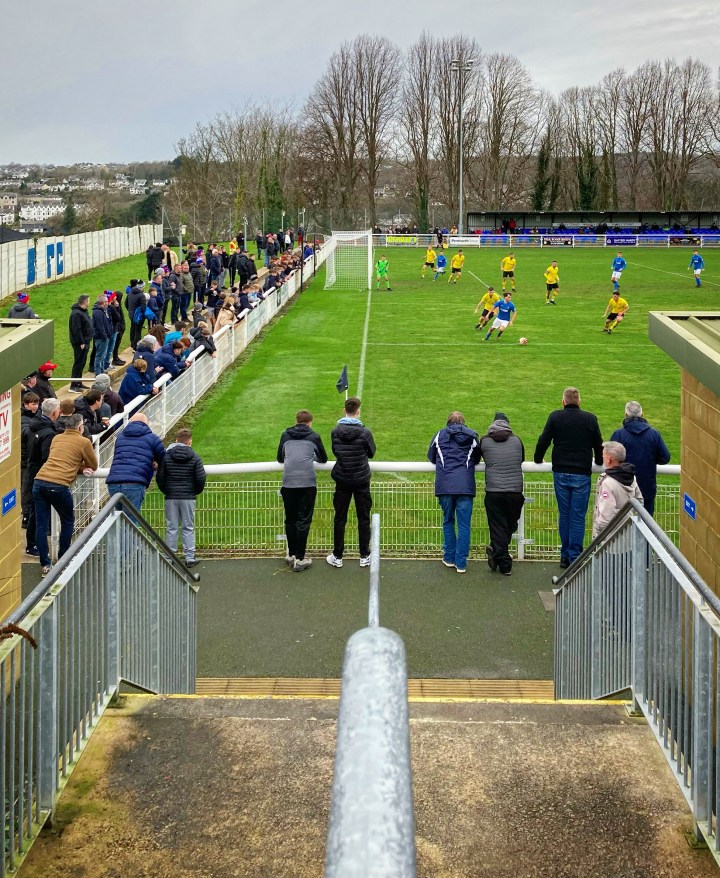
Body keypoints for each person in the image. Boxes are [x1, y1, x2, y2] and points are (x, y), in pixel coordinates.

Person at [534, 387, 604, 568]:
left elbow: (544, 440)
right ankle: (574, 556)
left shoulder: (555, 417)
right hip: (581, 473)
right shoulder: (590, 418)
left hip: (561, 472)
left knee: (564, 514)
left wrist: (537, 459)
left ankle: (565, 555)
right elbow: (598, 444)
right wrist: (599, 460)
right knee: (578, 517)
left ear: (563, 401)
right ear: (579, 401)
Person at [33, 412, 97, 575]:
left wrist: (76, 465)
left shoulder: (57, 438)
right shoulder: (83, 441)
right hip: (59, 485)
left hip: (39, 481)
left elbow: (58, 457)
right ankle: (63, 560)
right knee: (68, 521)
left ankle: (45, 564)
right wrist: (80, 467)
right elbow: (93, 465)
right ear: (80, 427)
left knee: (41, 525)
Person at [427, 411, 481, 574]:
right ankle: (461, 563)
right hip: (465, 487)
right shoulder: (472, 437)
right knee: (464, 525)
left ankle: (449, 557)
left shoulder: (439, 435)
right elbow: (477, 459)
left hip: (445, 486)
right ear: (463, 423)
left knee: (448, 521)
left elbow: (431, 456)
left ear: (448, 422)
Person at [326, 397, 376, 569]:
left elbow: (335, 451)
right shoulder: (365, 433)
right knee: (363, 518)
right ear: (358, 411)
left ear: (344, 410)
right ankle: (364, 555)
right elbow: (371, 453)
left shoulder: (335, 431)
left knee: (340, 518)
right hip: (361, 480)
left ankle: (338, 556)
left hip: (342, 479)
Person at [277, 409, 328, 572]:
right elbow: (323, 458)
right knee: (303, 521)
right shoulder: (314, 436)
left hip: (289, 483)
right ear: (310, 422)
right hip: (307, 484)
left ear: (296, 421)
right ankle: (299, 558)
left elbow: (280, 457)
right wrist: (309, 457)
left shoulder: (286, 435)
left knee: (290, 520)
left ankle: (291, 555)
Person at [478, 412, 525, 576]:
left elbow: (477, 459)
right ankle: (503, 561)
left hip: (494, 492)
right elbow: (520, 459)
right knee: (508, 526)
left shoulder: (484, 441)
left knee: (499, 527)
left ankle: (499, 556)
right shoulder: (517, 441)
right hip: (515, 492)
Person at [610, 401, 670, 517]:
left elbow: (610, 459)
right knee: (646, 525)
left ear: (626, 414)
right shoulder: (654, 435)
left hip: (622, 486)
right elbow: (665, 458)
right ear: (642, 414)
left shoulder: (618, 435)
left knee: (621, 525)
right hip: (646, 486)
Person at [156, 427, 206, 568]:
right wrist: (193, 491)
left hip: (171, 496)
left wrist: (167, 490)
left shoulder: (166, 456)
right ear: (189, 442)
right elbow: (200, 478)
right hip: (188, 496)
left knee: (171, 527)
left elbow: (160, 477)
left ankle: (169, 557)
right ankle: (189, 557)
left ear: (176, 440)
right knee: (188, 527)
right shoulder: (195, 457)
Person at [106, 413, 165, 511]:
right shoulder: (152, 438)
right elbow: (163, 459)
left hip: (113, 484)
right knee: (131, 522)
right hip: (134, 484)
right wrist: (154, 464)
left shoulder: (120, 437)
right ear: (146, 424)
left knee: (120, 521)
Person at [25, 398, 61, 556]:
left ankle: (33, 543)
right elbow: (47, 457)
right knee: (37, 511)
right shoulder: (48, 433)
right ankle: (33, 545)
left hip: (32, 470)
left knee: (36, 509)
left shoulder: (35, 425)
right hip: (40, 474)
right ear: (54, 413)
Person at [592, 441, 643, 538]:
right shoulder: (632, 478)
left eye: (603, 455)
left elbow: (606, 516)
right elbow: (639, 502)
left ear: (609, 459)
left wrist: (598, 533)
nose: (602, 457)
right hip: (627, 534)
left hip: (609, 540)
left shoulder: (608, 483)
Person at [20, 391, 40, 529]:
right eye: (33, 404)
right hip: (25, 460)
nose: (36, 406)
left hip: (34, 458)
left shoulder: (36, 416)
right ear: (26, 404)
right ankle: (26, 516)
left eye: (37, 403)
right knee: (26, 490)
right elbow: (25, 433)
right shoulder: (22, 418)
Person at [69, 295, 93, 392]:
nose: (89, 302)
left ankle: (79, 382)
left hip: (86, 341)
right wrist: (81, 341)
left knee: (82, 363)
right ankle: (73, 385)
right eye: (88, 301)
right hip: (80, 343)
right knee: (78, 363)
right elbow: (76, 329)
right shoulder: (76, 314)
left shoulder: (84, 311)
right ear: (84, 302)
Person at [91, 294, 113, 375]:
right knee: (99, 356)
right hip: (101, 338)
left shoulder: (102, 310)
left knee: (102, 356)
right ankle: (98, 373)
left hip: (104, 337)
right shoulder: (98, 312)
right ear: (103, 302)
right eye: (107, 301)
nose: (108, 303)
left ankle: (101, 370)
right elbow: (100, 327)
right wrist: (105, 336)